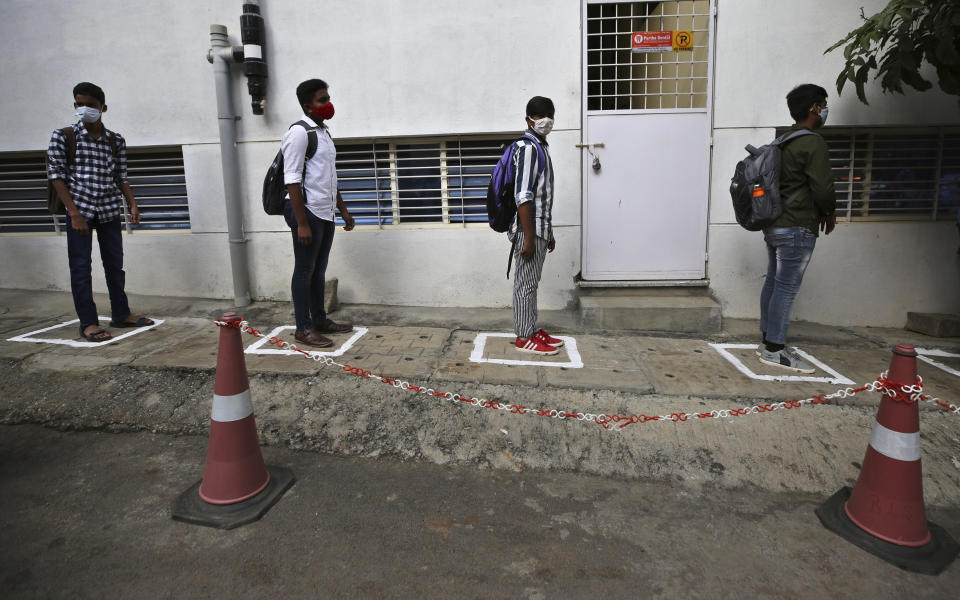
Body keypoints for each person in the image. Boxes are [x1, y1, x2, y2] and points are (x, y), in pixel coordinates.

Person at [47, 82, 154, 342]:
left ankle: (121, 314)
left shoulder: (115, 141)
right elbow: (57, 176)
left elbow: (121, 175)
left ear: (103, 108)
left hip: (108, 210)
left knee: (115, 265)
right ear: (75, 105)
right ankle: (88, 323)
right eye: (80, 104)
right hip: (80, 210)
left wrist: (132, 203)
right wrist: (73, 213)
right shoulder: (63, 136)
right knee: (81, 268)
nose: (85, 109)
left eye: (91, 105)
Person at [757, 84, 837, 373]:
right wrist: (829, 210)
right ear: (814, 108)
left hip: (774, 224)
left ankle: (767, 339)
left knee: (773, 281)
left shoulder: (783, 140)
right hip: (797, 225)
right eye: (824, 104)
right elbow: (823, 188)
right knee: (786, 287)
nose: (826, 109)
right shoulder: (812, 142)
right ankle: (775, 350)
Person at [282, 79, 355, 348]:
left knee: (318, 270)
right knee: (304, 270)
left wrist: (343, 211)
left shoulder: (323, 133)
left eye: (328, 98)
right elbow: (291, 179)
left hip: (325, 212)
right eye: (322, 100)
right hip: (307, 212)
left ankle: (320, 320)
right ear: (307, 105)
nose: (328, 104)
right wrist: (302, 223)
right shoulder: (300, 133)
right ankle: (303, 328)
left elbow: (329, 177)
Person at [509, 96, 563, 355]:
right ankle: (523, 337)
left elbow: (542, 197)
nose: (546, 120)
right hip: (527, 230)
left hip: (538, 228)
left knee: (531, 283)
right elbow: (523, 195)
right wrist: (529, 237)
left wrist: (547, 233)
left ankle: (531, 330)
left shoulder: (541, 147)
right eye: (541, 115)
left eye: (550, 115)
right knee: (525, 285)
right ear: (529, 118)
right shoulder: (528, 148)